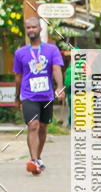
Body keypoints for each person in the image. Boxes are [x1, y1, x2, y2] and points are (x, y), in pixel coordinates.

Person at [13, 16, 64, 174]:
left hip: (46, 96)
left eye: (34, 27)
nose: (31, 30)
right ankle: (33, 160)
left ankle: (38, 157)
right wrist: (17, 96)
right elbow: (18, 76)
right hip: (28, 95)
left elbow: (56, 69)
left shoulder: (51, 50)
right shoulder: (20, 52)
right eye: (28, 28)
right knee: (33, 125)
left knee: (42, 127)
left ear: (40, 29)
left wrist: (59, 87)